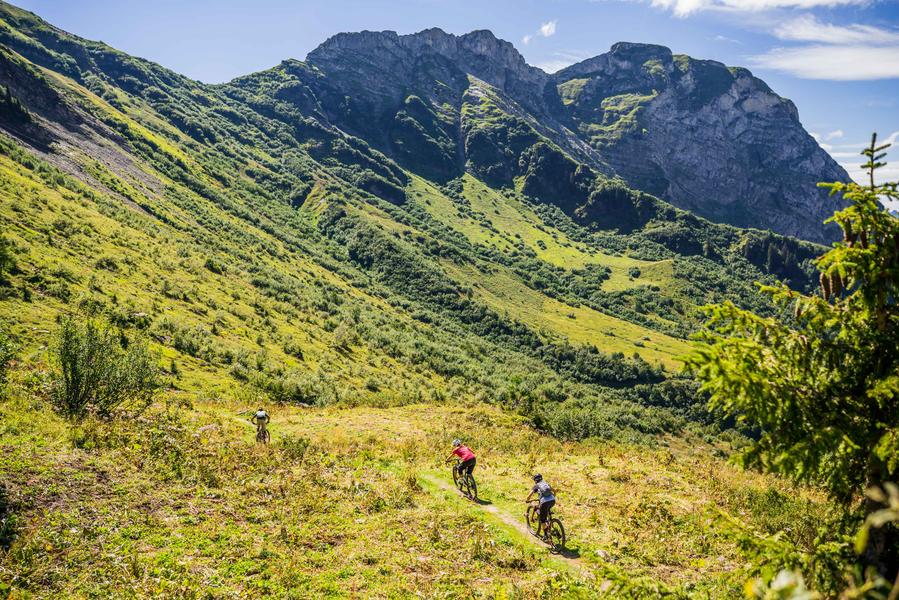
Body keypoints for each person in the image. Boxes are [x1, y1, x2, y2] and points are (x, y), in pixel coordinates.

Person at [526, 473, 556, 538]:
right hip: (553, 500)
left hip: (544, 502)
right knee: (546, 511)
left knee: (542, 520)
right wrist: (553, 497)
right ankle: (550, 523)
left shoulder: (536, 486)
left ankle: (546, 536)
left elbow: (529, 496)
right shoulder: (546, 483)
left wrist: (527, 500)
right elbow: (554, 491)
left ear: (535, 480)